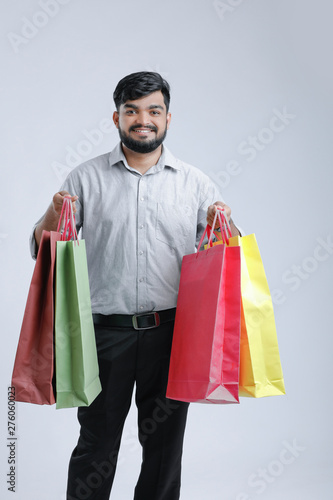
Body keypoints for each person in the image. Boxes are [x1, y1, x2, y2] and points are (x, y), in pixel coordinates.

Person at [31, 71, 240, 500]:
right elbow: (41, 249)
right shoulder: (85, 178)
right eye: (132, 111)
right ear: (117, 118)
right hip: (104, 334)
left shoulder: (195, 183)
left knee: (164, 450)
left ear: (167, 118)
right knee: (97, 445)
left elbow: (227, 252)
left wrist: (226, 218)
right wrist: (55, 213)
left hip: (171, 334)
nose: (143, 119)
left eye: (153, 111)